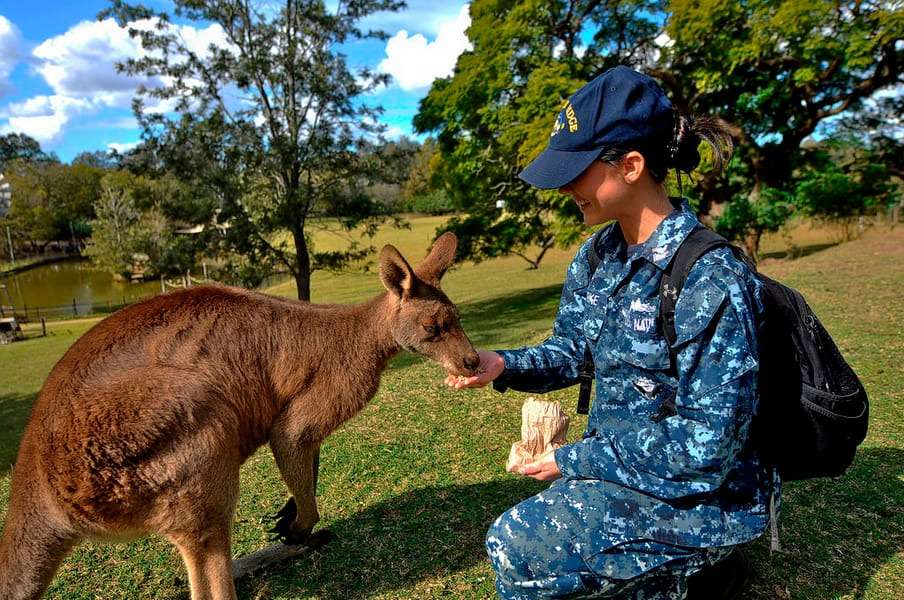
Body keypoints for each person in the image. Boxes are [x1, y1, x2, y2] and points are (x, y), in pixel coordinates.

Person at [445, 66, 779, 599]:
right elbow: (573, 350)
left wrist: (572, 460)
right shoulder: (599, 255)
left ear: (631, 166)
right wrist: (503, 364)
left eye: (577, 171)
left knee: (514, 543)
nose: (564, 187)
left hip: (705, 496)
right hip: (621, 470)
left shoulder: (711, 278)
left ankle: (703, 572)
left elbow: (709, 446)